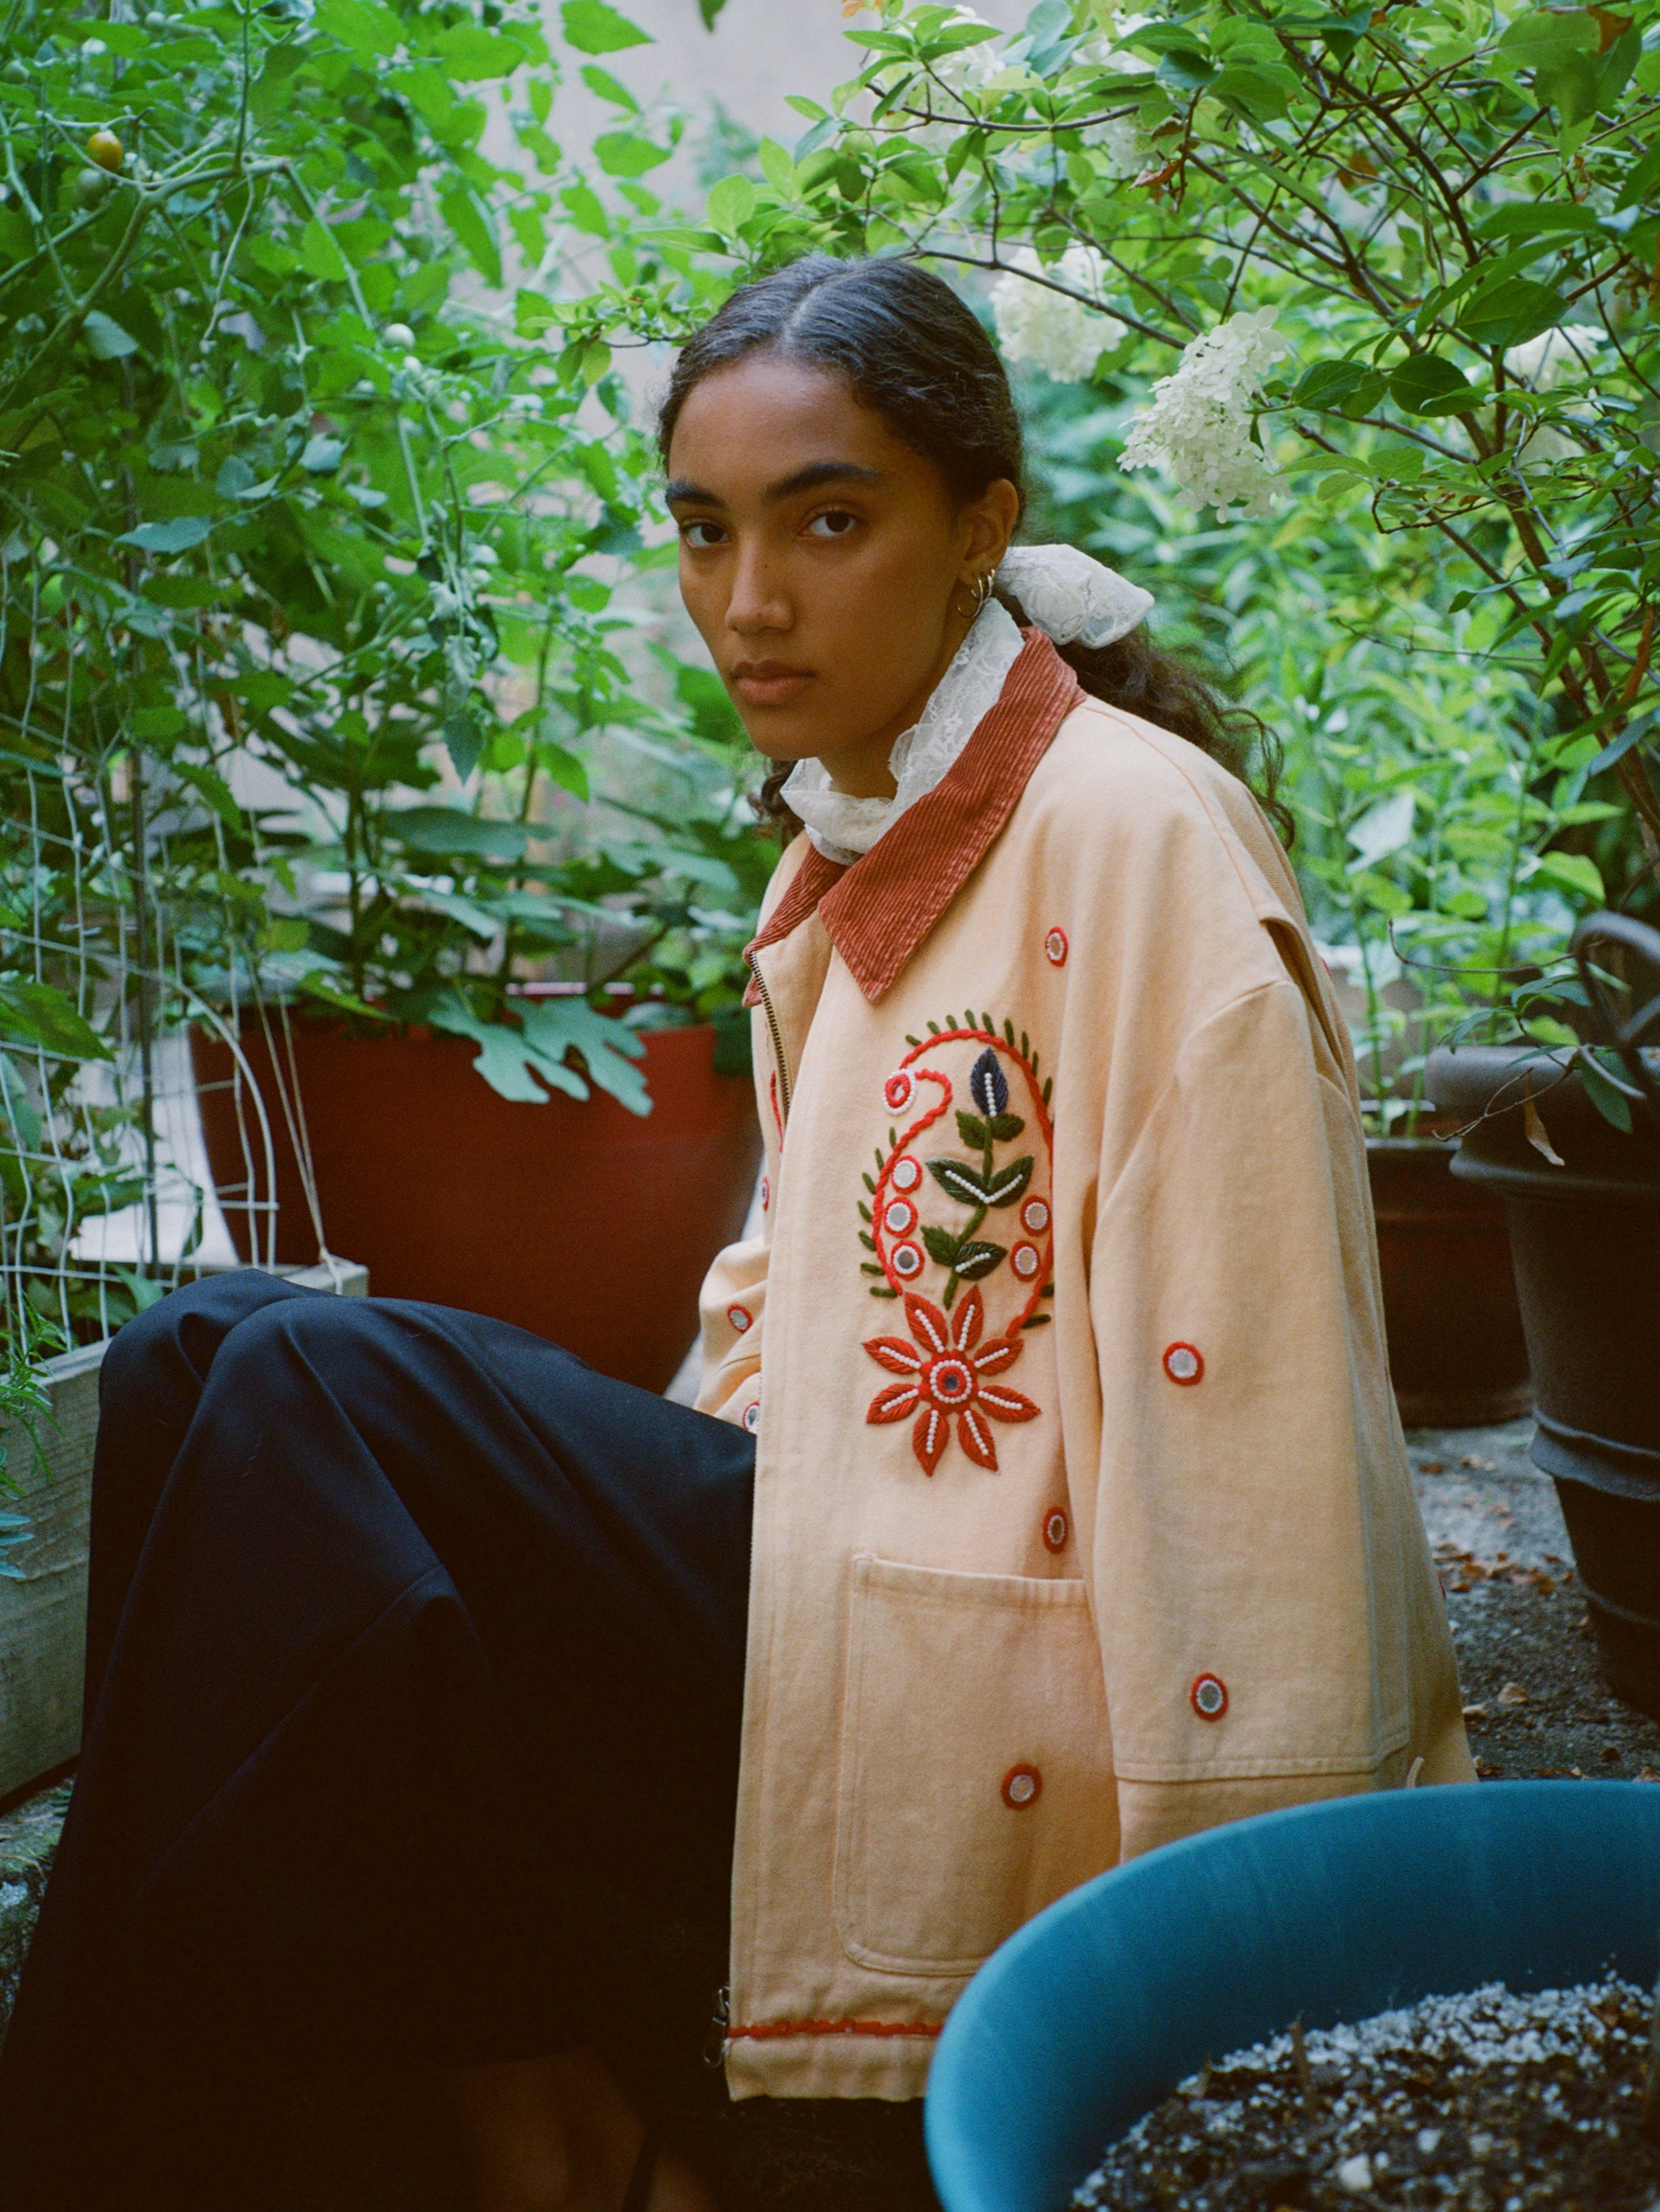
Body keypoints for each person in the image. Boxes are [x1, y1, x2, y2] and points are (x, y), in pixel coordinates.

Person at [0, 254, 1472, 2212]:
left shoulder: (1137, 837)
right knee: (202, 1351)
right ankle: (527, 2104)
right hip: (811, 1575)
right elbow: (767, 1327)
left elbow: (1262, 1421)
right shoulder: (847, 851)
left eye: (828, 520)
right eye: (706, 532)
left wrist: (1245, 1947)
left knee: (297, 1379)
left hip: (983, 1681)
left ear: (982, 530)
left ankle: (150, 2154)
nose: (748, 602)